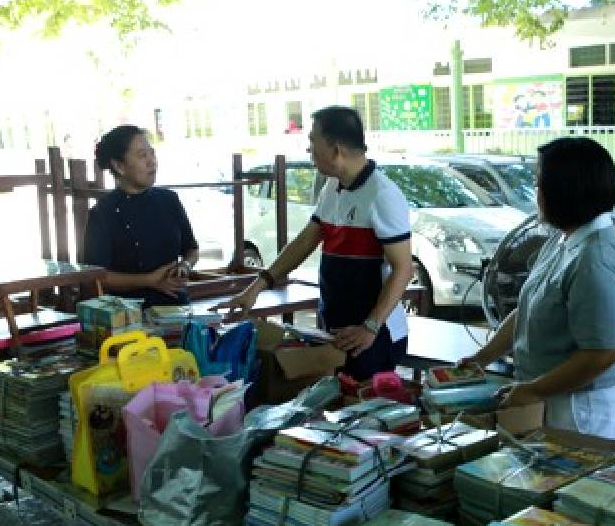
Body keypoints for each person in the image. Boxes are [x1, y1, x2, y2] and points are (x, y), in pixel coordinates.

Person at [462, 137, 615, 442]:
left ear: (564, 191)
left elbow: (602, 353)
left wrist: (532, 390)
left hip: (585, 409)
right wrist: (480, 359)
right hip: (555, 397)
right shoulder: (565, 239)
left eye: (539, 184)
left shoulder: (594, 259)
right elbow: (528, 310)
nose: (536, 194)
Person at [218, 106, 412, 380]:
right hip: (337, 328)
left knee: (366, 412)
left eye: (312, 141)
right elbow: (304, 242)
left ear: (336, 149)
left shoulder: (382, 195)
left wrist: (370, 326)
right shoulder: (332, 188)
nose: (308, 150)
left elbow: (404, 269)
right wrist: (257, 287)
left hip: (374, 335)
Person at [83, 125, 199, 307]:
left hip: (177, 309)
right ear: (119, 166)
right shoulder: (103, 212)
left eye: (152, 153)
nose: (151, 161)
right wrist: (149, 280)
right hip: (127, 314)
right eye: (142, 155)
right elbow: (97, 277)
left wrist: (185, 266)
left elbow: (191, 249)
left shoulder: (169, 199)